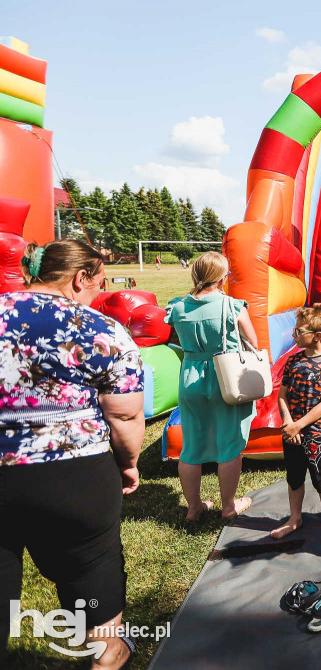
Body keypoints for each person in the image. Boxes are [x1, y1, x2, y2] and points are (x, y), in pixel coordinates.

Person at [1, 240, 144, 669]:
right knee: (91, 563)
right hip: (72, 472)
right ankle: (106, 656)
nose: (98, 293)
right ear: (80, 278)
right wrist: (130, 464)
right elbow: (124, 414)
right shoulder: (100, 328)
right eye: (98, 284)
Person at [166, 251, 257, 521]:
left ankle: (194, 507)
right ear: (222, 278)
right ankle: (228, 505)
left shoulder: (177, 307)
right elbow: (253, 341)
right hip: (226, 378)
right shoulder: (232, 306)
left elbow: (176, 338)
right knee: (230, 444)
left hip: (190, 379)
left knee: (191, 447)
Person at [270, 304, 321, 540]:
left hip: (315, 434)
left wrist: (299, 425)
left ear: (317, 336)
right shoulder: (292, 362)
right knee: (294, 476)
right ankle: (294, 518)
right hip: (291, 433)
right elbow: (282, 395)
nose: (294, 335)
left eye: (299, 331)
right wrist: (288, 422)